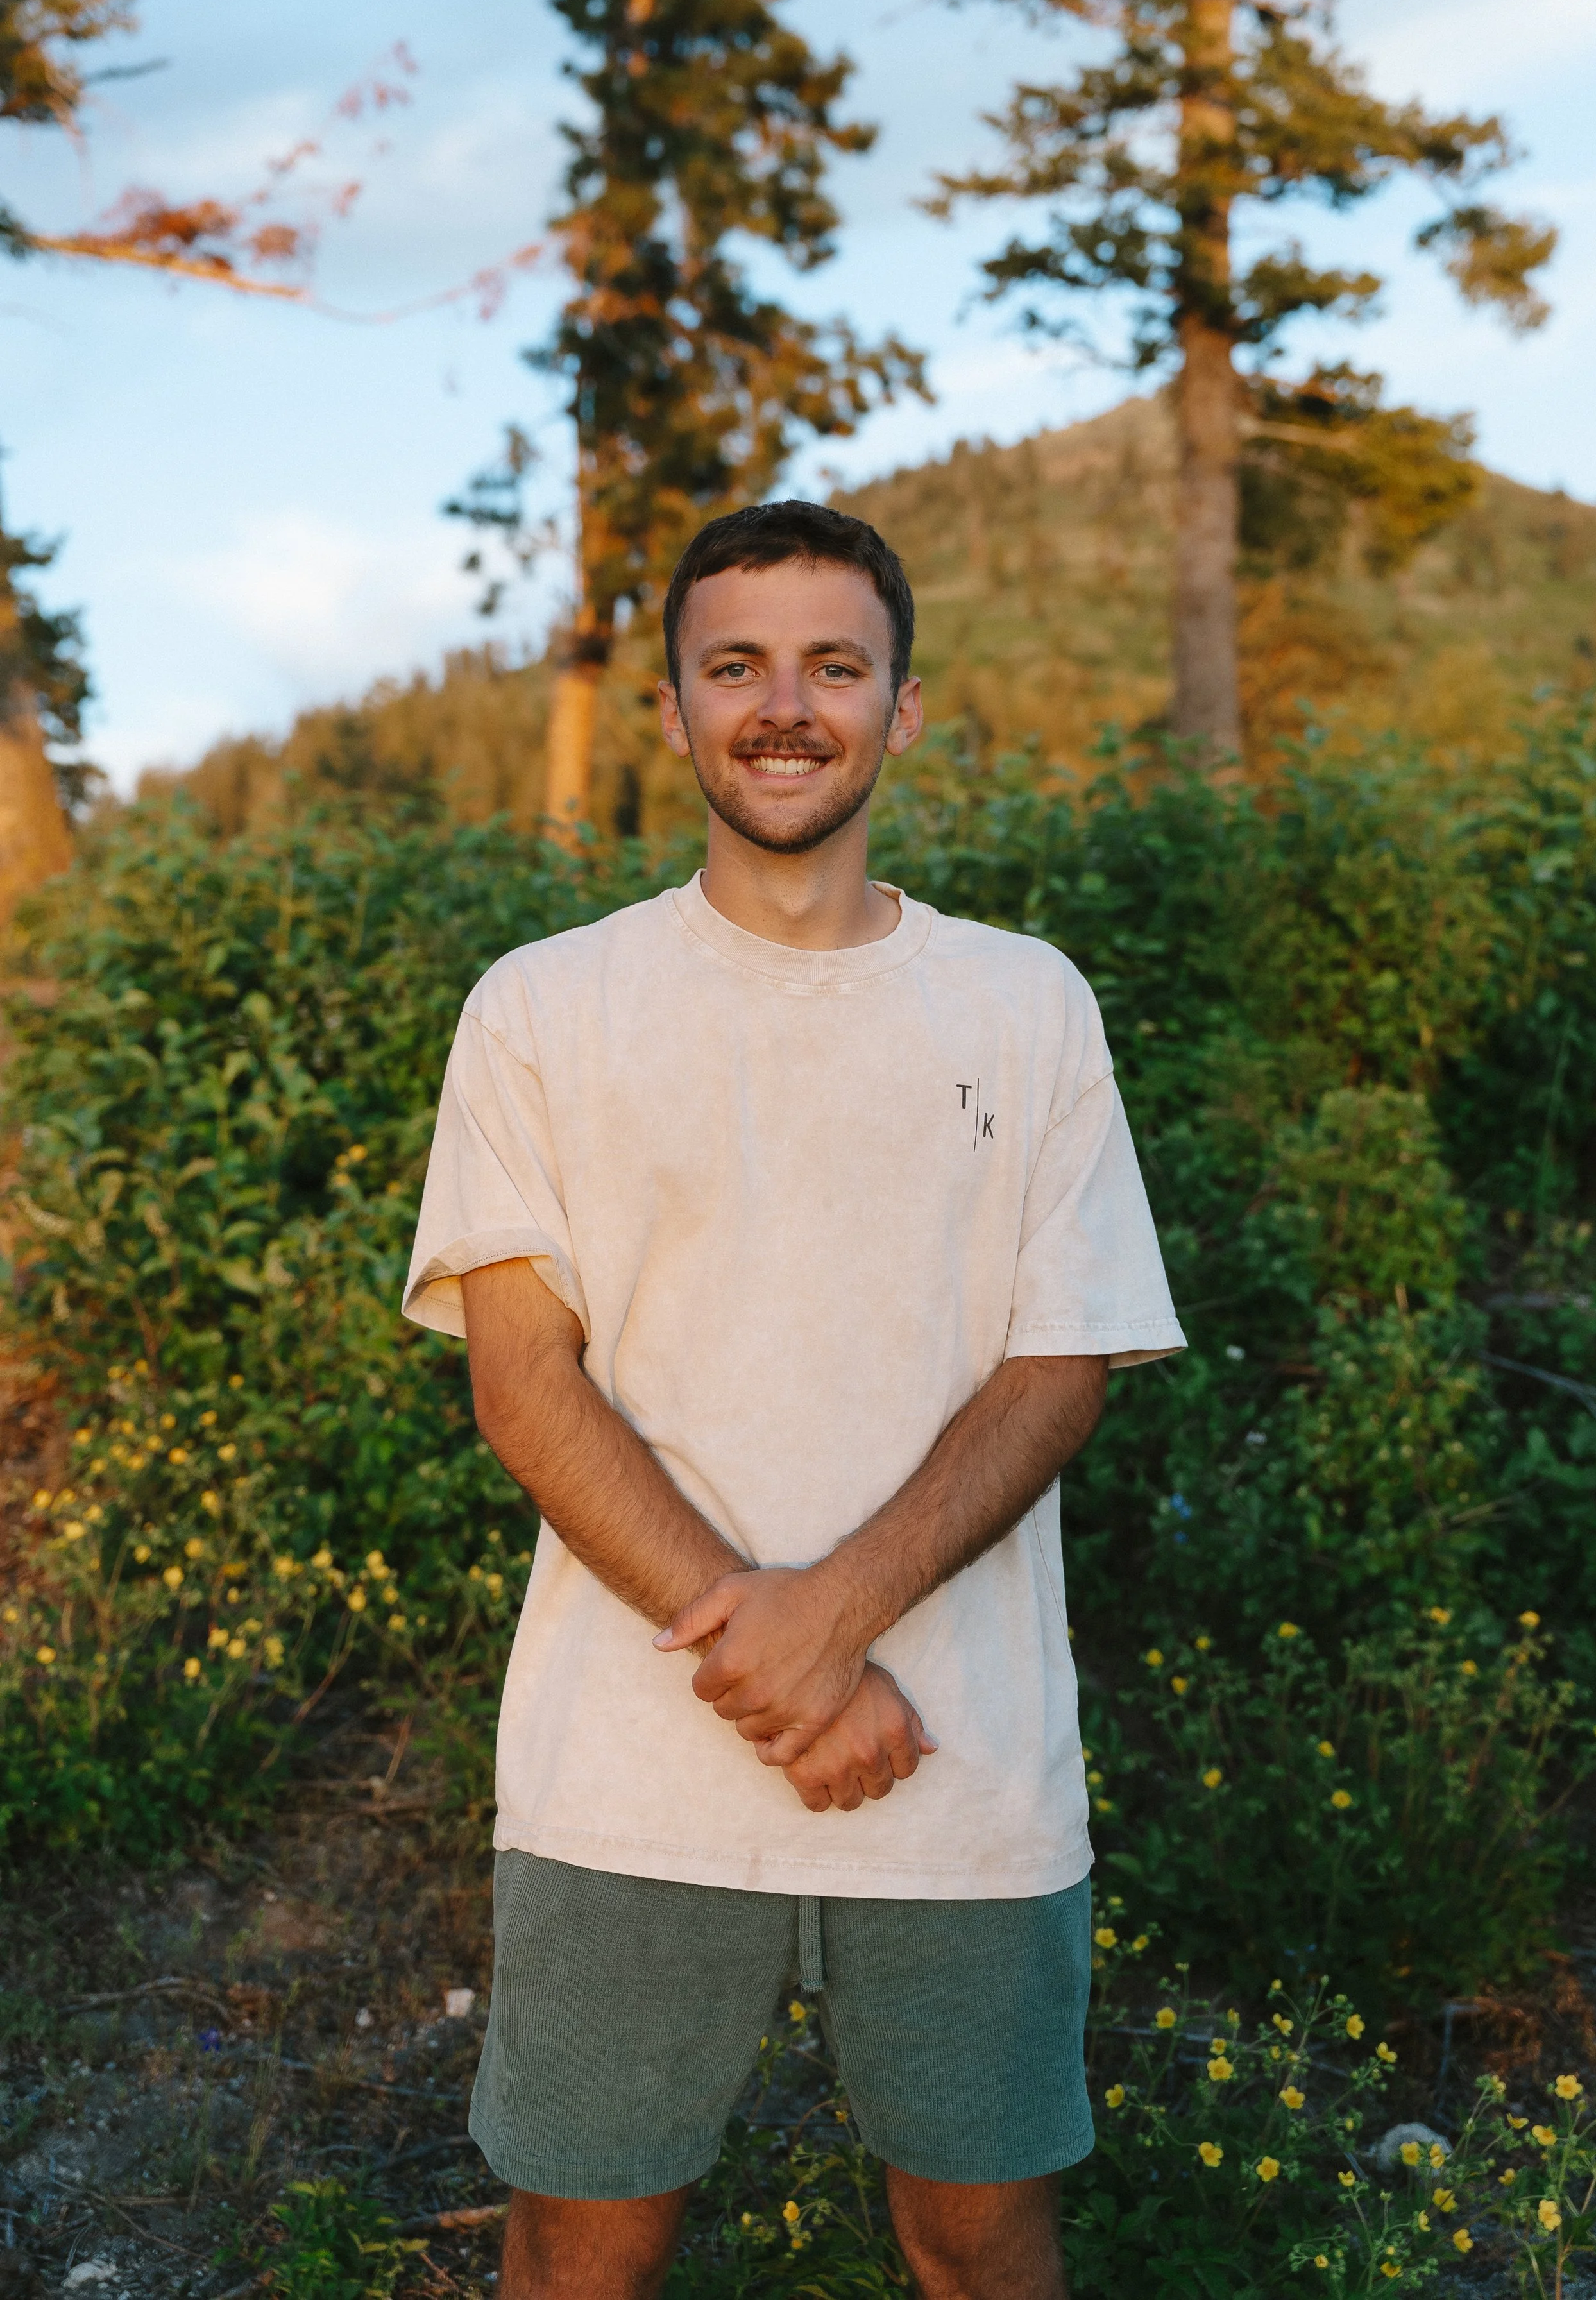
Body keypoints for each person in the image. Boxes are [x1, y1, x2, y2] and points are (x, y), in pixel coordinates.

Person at [402, 500, 1184, 2300]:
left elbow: (1061, 1360)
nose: (784, 706)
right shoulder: (544, 1008)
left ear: (901, 709)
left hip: (964, 1764)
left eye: (833, 665)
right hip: (622, 1773)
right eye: (734, 665)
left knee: (980, 2241)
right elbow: (526, 1384)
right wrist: (774, 1657)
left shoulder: (1022, 1002)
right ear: (674, 709)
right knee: (579, 2249)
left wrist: (829, 1616)